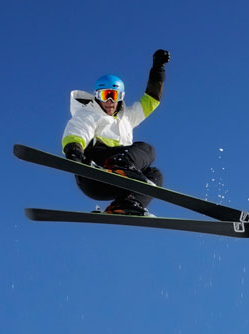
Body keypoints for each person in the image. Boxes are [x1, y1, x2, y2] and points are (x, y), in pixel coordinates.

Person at [61, 49, 170, 216]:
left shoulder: (126, 118)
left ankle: (128, 203)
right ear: (97, 96)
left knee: (154, 175)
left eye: (114, 95)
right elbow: (78, 130)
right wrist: (74, 150)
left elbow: (151, 100)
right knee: (147, 149)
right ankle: (120, 164)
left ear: (121, 97)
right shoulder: (89, 113)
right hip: (94, 173)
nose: (110, 101)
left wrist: (158, 68)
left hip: (114, 183)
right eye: (105, 95)